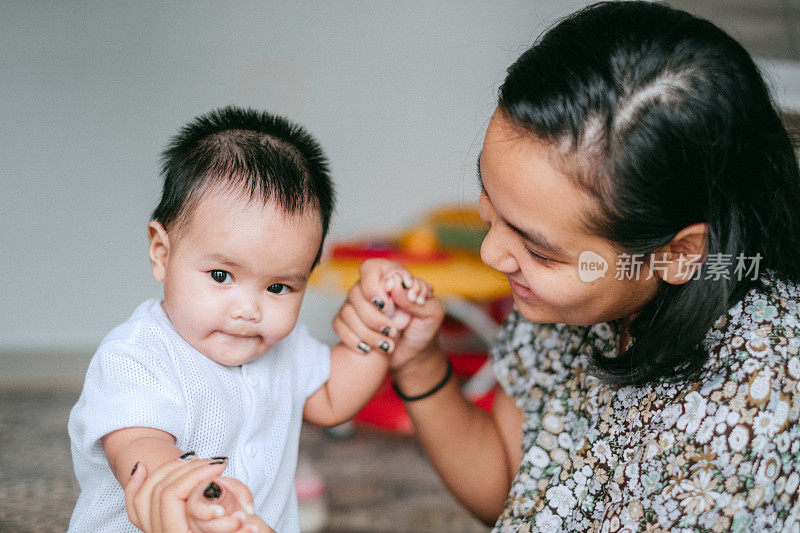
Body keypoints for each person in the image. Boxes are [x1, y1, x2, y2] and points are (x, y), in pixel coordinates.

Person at [335, 2, 800, 531]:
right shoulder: (576, 297)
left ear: (678, 255)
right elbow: (517, 490)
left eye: (538, 249)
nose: (492, 254)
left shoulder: (760, 407)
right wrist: (420, 363)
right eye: (490, 200)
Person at [67, 106, 429, 532]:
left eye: (279, 287)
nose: (249, 310)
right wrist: (192, 493)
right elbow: (138, 444)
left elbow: (333, 398)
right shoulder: (138, 354)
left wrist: (383, 317)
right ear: (162, 253)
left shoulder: (282, 347)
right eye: (221, 276)